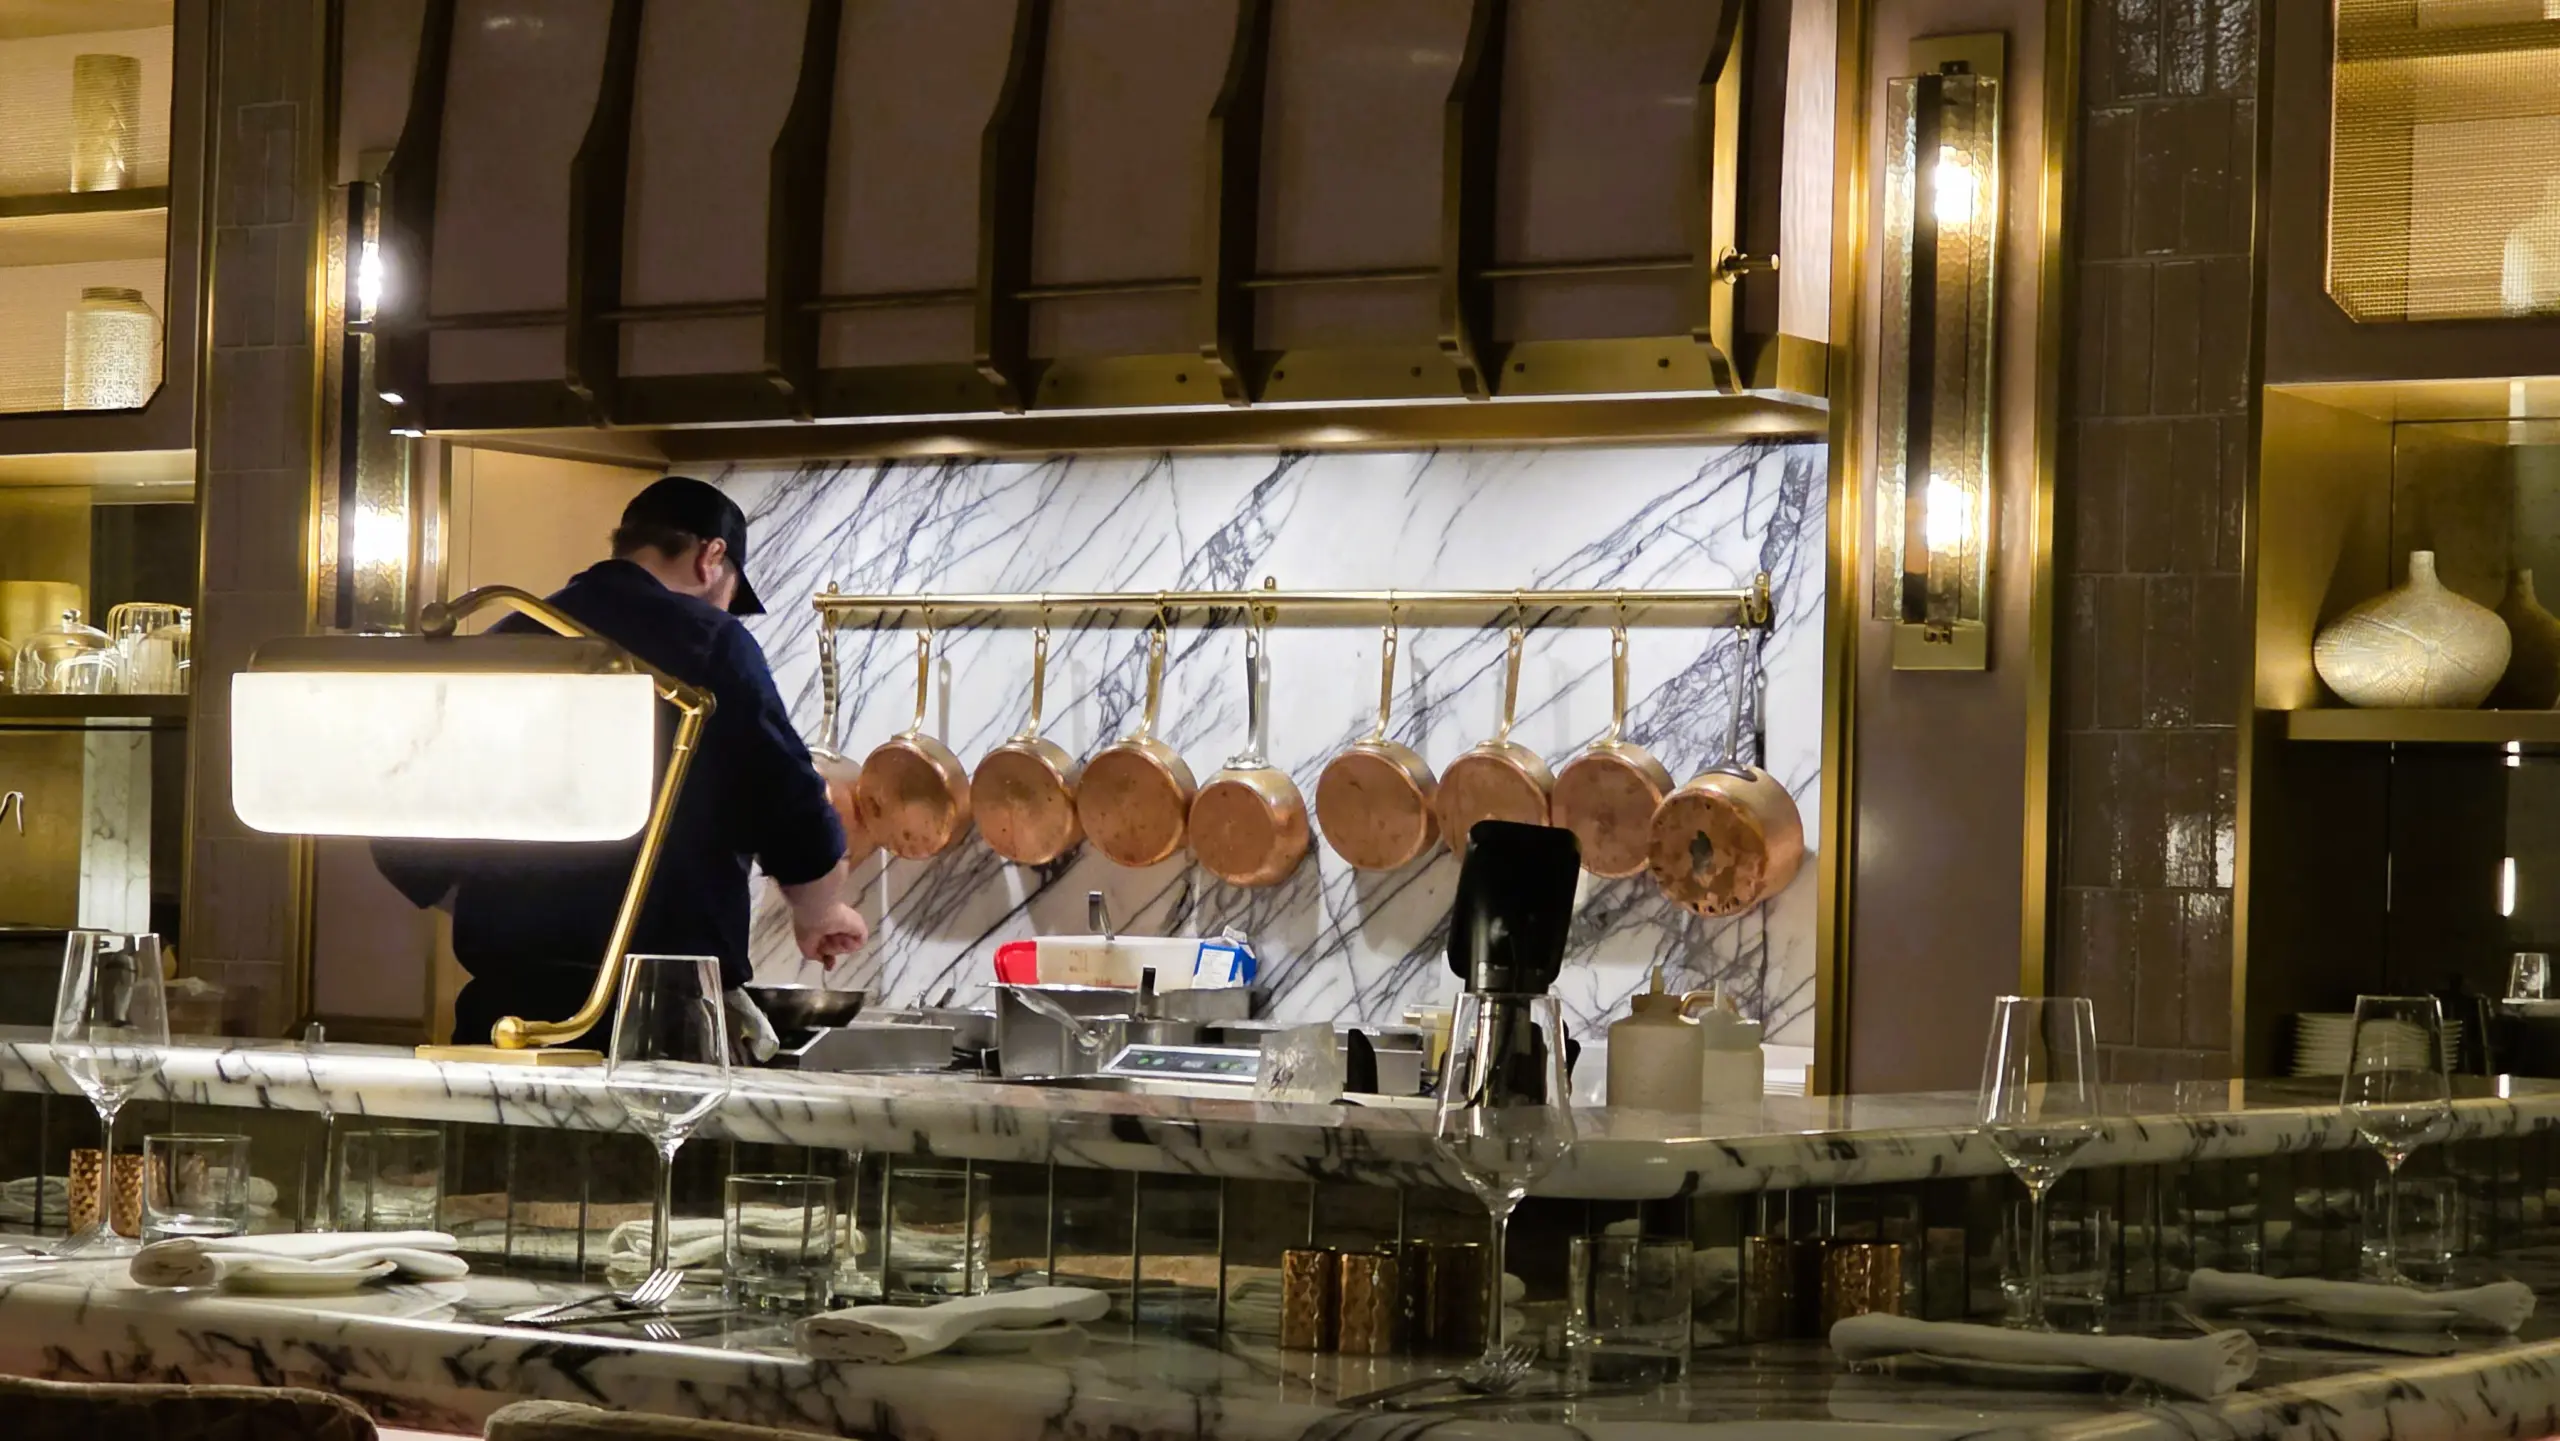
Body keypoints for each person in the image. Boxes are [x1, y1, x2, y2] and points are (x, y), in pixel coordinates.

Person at [374, 476, 868, 1054]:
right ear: (713, 558)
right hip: (661, 1018)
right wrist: (820, 910)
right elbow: (791, 808)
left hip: (504, 1018)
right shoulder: (711, 644)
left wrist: (507, 902)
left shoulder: (507, 636)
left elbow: (399, 837)